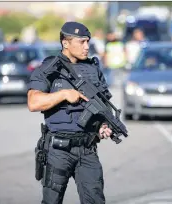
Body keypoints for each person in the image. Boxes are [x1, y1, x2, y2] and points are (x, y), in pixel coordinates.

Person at [27, 22, 113, 204]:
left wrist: (103, 126)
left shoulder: (93, 69)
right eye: (81, 42)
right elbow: (33, 102)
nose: (87, 47)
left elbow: (101, 106)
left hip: (87, 149)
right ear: (65, 43)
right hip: (59, 150)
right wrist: (64, 94)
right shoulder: (50, 67)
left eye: (88, 41)